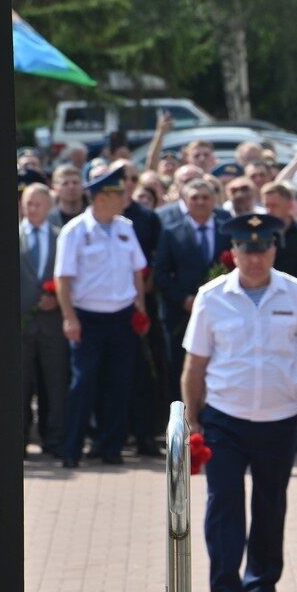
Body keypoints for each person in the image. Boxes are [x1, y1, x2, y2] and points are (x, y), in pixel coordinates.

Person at [181, 213, 297, 592]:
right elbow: (195, 365)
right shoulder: (213, 296)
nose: (254, 259)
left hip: (280, 419)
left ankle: (261, 590)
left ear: (273, 249)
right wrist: (192, 420)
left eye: (262, 249)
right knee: (223, 505)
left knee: (270, 506)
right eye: (246, 251)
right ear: (234, 253)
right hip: (225, 419)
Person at [54, 167, 148, 467]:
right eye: (119, 193)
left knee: (119, 383)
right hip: (88, 317)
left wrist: (140, 306)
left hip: (121, 317)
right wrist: (69, 318)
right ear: (102, 197)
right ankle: (71, 449)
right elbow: (63, 279)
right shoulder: (76, 231)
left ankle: (110, 447)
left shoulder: (125, 227)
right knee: (83, 385)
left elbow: (137, 270)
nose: (125, 197)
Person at [154, 180, 231, 400]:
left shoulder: (226, 229)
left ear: (214, 201)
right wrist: (183, 299)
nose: (200, 202)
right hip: (181, 315)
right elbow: (161, 273)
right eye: (194, 198)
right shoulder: (172, 232)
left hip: (222, 311)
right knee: (181, 368)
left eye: (205, 197)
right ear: (185, 202)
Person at [119, 162, 166, 454]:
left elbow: (158, 256)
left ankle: (146, 434)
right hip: (110, 306)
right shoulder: (101, 218)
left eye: (132, 179)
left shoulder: (147, 217)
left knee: (145, 372)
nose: (127, 184)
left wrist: (148, 285)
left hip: (143, 306)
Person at [20, 183, 67, 457]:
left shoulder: (62, 237)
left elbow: (72, 278)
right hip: (21, 326)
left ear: (49, 207)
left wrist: (58, 299)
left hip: (53, 324)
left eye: (37, 204)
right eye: (28, 203)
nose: (31, 209)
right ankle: (20, 440)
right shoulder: (9, 236)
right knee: (20, 384)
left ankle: (55, 439)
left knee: (55, 384)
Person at [262, 182, 297, 281]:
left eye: (274, 206)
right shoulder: (261, 235)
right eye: (266, 206)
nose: (269, 211)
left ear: (289, 204)